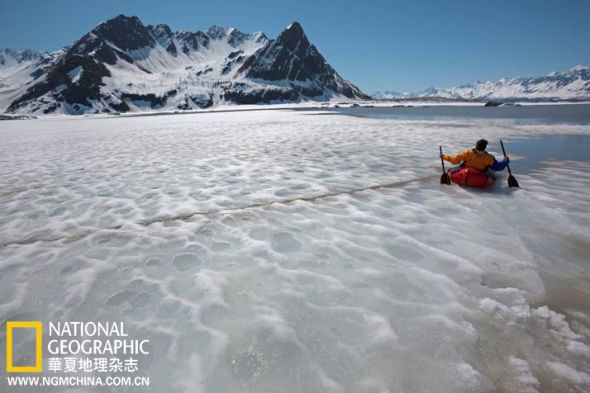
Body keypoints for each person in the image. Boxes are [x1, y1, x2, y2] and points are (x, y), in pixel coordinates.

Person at [441, 139, 510, 176]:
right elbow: (498, 167)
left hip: (465, 172)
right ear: (485, 147)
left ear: (476, 146)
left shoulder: (467, 153)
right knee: (491, 169)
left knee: (450, 170)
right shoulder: (489, 157)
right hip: (480, 174)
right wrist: (505, 161)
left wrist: (443, 156)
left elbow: (454, 161)